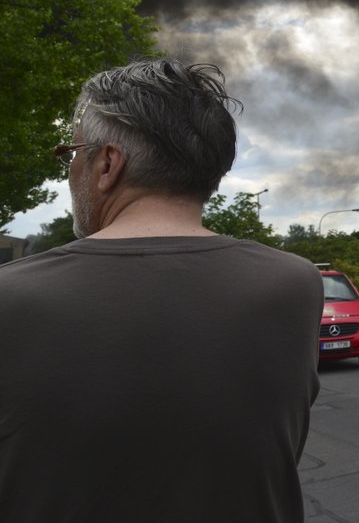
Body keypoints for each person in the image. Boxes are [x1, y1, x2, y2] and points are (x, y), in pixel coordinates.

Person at [0, 59, 324, 523]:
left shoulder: (8, 297)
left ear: (108, 163)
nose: (70, 168)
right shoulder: (296, 284)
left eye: (70, 152)